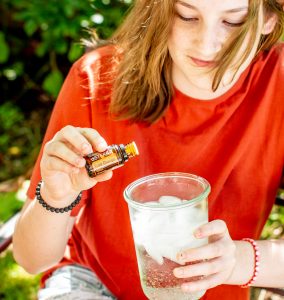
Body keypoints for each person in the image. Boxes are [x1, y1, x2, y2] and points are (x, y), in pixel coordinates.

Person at [12, 0, 284, 299]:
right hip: (93, 281)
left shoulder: (278, 83)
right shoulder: (97, 80)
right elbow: (32, 259)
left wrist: (238, 261)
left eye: (234, 21)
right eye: (187, 16)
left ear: (269, 18)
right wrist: (55, 197)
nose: (207, 44)